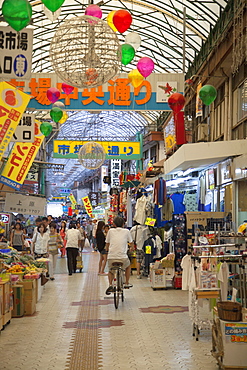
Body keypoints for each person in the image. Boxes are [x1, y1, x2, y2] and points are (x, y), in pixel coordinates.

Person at [105, 216, 134, 295]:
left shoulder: (110, 231)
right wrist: (131, 248)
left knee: (111, 271)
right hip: (123, 258)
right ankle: (127, 282)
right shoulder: (126, 231)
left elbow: (107, 243)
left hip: (111, 257)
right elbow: (131, 243)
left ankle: (110, 284)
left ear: (114, 224)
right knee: (128, 266)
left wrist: (107, 249)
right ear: (123, 224)